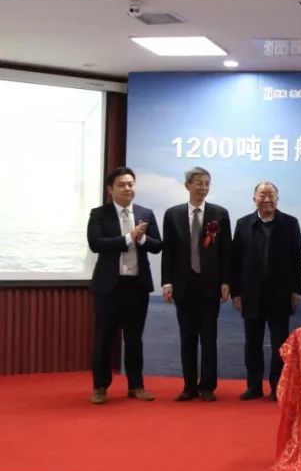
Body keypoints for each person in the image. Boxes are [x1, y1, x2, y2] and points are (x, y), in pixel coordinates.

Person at [87, 167, 163, 404]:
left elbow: (157, 245)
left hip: (137, 287)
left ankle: (136, 386)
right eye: (122, 184)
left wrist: (142, 238)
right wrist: (129, 238)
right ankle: (100, 387)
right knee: (104, 338)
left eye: (131, 184)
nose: (127, 188)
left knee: (134, 338)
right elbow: (96, 243)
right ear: (111, 189)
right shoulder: (99, 214)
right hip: (109, 287)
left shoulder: (145, 213)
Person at [161, 166, 232, 402]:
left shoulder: (219, 214)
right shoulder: (172, 215)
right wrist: (166, 282)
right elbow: (168, 252)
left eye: (207, 183)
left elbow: (226, 252)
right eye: (199, 183)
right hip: (183, 286)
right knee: (187, 338)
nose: (203, 187)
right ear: (187, 185)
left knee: (209, 338)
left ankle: (208, 386)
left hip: (210, 287)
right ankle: (189, 386)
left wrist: (226, 281)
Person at [231, 181, 301, 401]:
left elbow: (297, 259)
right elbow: (235, 260)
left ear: (277, 198)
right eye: (262, 195)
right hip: (251, 293)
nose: (267, 199)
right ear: (254, 199)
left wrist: (296, 290)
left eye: (271, 195)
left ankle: (277, 387)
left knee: (280, 343)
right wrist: (236, 292)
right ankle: (253, 386)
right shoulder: (243, 224)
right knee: (252, 343)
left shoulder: (290, 223)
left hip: (280, 293)